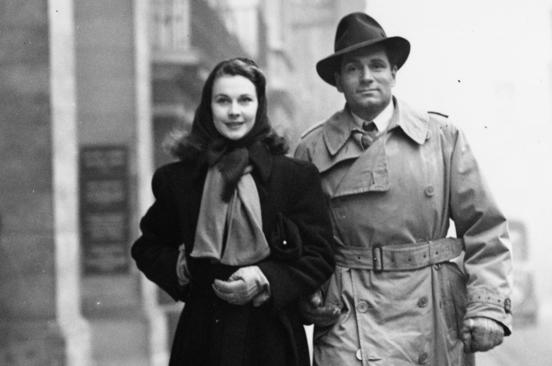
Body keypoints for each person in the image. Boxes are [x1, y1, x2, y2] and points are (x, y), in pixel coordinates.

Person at [294, 12, 513, 365]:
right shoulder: (311, 150)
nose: (367, 77)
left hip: (431, 308)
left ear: (394, 74)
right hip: (350, 314)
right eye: (353, 69)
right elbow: (301, 241)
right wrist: (309, 292)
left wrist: (488, 307)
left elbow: (485, 228)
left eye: (377, 66)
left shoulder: (441, 137)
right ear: (337, 81)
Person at [131, 57, 335, 366]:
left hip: (272, 338)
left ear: (259, 105)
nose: (234, 111)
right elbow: (147, 247)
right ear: (208, 106)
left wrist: (265, 277)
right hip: (202, 338)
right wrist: (178, 267)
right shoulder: (180, 180)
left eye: (245, 100)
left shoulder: (294, 177)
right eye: (223, 101)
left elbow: (320, 255)